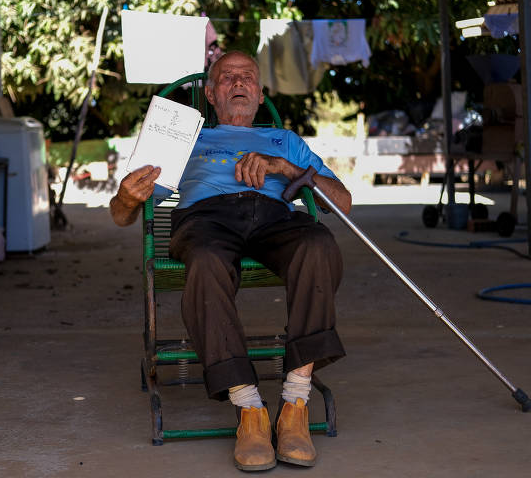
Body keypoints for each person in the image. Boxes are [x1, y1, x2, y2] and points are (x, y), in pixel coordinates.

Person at [110, 51, 352, 471]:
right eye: (227, 77)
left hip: (274, 218)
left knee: (319, 244)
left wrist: (285, 167)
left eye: (247, 77)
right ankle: (250, 410)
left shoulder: (285, 140)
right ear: (210, 93)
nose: (238, 82)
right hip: (206, 220)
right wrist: (127, 198)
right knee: (203, 262)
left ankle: (295, 403)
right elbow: (122, 213)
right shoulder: (185, 141)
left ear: (259, 95)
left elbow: (344, 203)